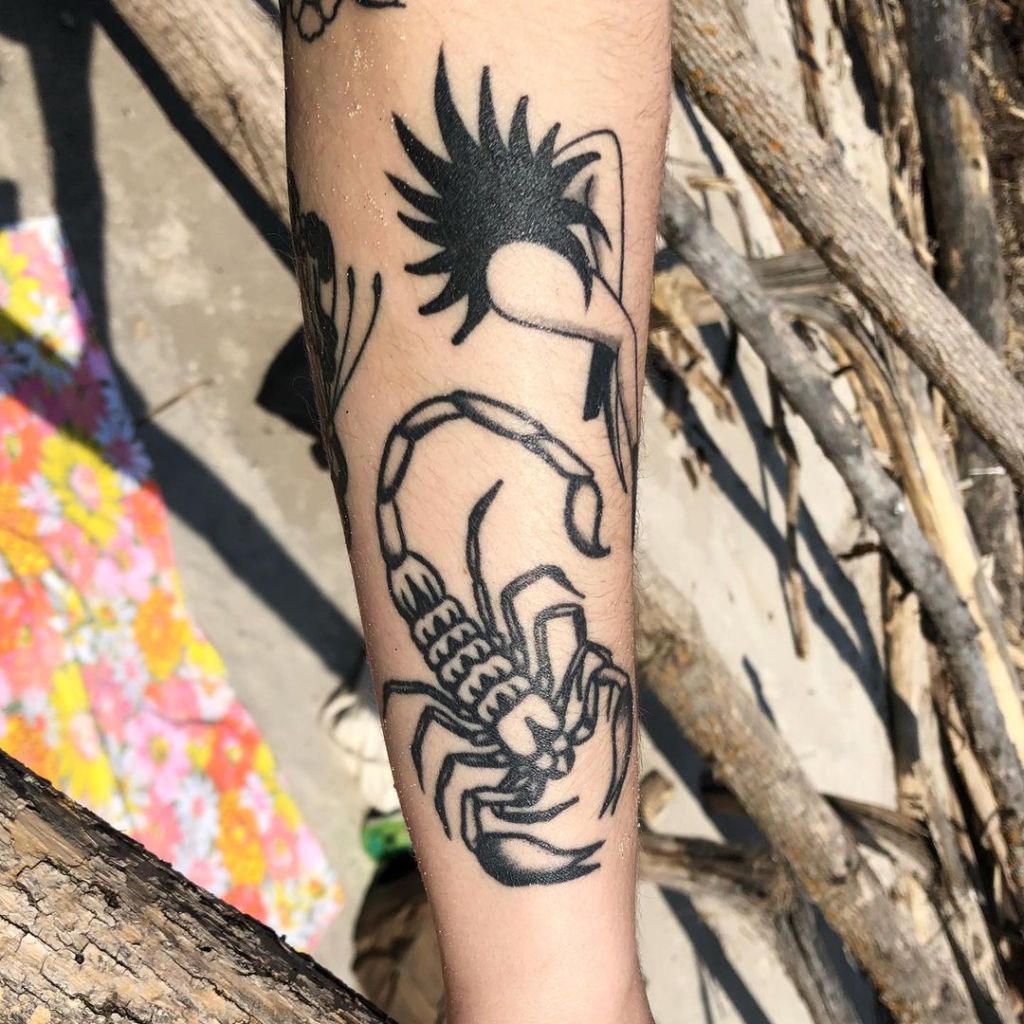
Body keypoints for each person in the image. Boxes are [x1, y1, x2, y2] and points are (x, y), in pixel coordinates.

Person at [281, 2, 670, 1020]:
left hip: (459, 638)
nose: (554, 752)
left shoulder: (510, 736)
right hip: (471, 641)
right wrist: (554, 990)